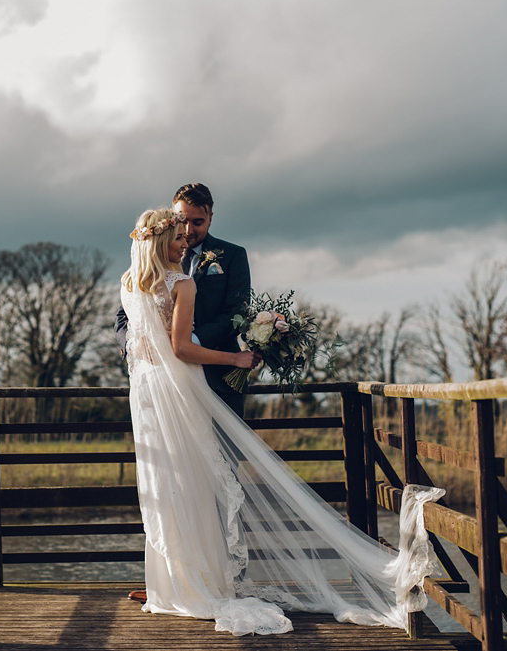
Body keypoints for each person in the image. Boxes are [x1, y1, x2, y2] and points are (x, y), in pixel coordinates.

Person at [120, 207, 444, 636]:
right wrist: (235, 357)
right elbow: (181, 348)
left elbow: (143, 341)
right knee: (193, 480)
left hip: (146, 392)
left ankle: (173, 584)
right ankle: (196, 583)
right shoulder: (182, 282)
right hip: (179, 387)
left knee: (166, 479)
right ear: (163, 242)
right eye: (178, 238)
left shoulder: (129, 281)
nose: (185, 243)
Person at [116, 183, 250, 418]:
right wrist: (135, 347)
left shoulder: (233, 256)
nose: (188, 231)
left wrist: (190, 342)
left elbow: (235, 312)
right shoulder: (143, 266)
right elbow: (122, 316)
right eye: (182, 220)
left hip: (217, 377)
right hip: (159, 379)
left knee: (222, 454)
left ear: (210, 218)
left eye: (197, 222)